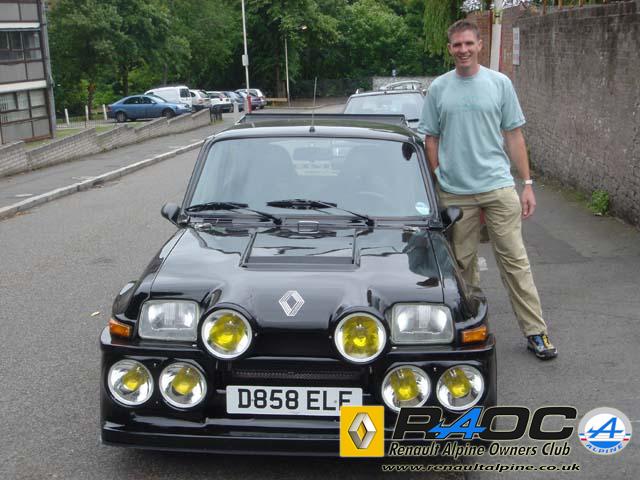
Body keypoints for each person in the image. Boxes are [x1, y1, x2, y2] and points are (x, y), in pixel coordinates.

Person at [418, 19, 557, 360]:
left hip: (498, 187)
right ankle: (470, 331)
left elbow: (514, 135)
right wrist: (439, 178)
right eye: (457, 45)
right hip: (456, 192)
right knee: (463, 267)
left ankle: (536, 332)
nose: (463, 50)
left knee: (515, 262)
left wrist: (527, 184)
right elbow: (431, 139)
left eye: (469, 43)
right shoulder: (439, 88)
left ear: (480, 45)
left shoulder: (499, 83)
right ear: (450, 49)